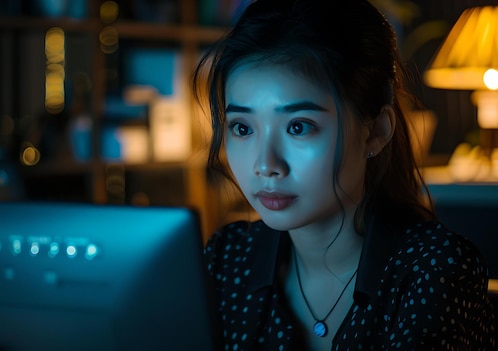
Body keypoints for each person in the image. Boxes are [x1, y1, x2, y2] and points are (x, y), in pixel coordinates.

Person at [192, 0, 496, 350]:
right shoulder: (228, 258)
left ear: (376, 131)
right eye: (242, 128)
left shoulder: (434, 272)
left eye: (298, 126)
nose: (265, 164)